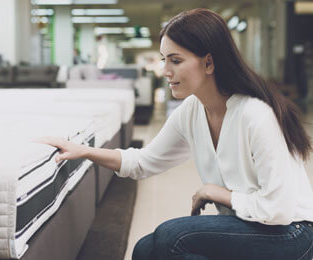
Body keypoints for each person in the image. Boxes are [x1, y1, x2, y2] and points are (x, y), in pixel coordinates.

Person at [37, 8, 313, 260]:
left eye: (175, 61)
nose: (165, 71)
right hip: (247, 225)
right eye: (163, 60)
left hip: (292, 233)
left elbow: (278, 210)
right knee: (145, 250)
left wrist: (219, 193)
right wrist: (84, 151)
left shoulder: (255, 114)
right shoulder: (192, 110)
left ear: (208, 63)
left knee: (172, 237)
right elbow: (144, 162)